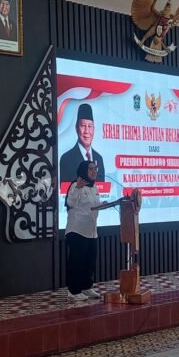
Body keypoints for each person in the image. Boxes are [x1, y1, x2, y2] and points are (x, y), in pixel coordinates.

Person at [65, 161, 102, 301]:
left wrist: (104, 205)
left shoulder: (94, 188)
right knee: (77, 262)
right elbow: (70, 203)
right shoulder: (76, 185)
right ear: (83, 170)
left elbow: (94, 206)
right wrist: (77, 189)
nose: (94, 171)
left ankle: (86, 287)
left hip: (91, 231)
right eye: (90, 169)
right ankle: (73, 291)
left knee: (89, 261)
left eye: (95, 168)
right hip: (77, 231)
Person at [59, 103, 106, 184]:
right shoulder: (66, 159)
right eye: (83, 126)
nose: (87, 131)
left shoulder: (99, 159)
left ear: (94, 129)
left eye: (90, 126)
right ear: (76, 128)